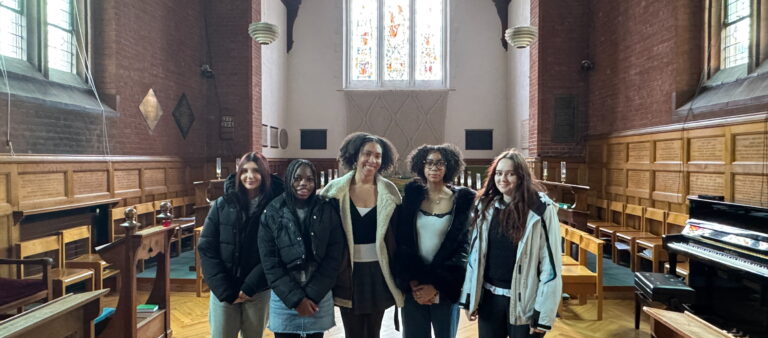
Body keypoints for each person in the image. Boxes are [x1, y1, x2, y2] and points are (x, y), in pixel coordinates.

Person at [460, 149, 562, 338]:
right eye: (499, 173)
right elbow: (476, 256)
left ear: (521, 176)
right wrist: (470, 298)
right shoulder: (486, 206)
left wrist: (542, 315)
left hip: (525, 301)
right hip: (490, 298)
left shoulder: (540, 210)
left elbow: (551, 265)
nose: (503, 179)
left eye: (510, 173)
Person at [318, 132, 404, 338]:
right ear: (355, 156)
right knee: (352, 332)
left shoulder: (390, 191)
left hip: (379, 271)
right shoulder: (333, 191)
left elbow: (397, 235)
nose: (372, 160)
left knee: (374, 332)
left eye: (378, 156)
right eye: (367, 154)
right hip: (347, 271)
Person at [198, 152, 284, 338]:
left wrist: (250, 286)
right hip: (225, 287)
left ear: (265, 174)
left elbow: (277, 252)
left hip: (257, 290)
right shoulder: (222, 204)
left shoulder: (277, 207)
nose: (250, 176)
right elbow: (207, 247)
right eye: (244, 171)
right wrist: (222, 288)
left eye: (256, 171)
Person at [395, 144, 476, 338]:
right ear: (421, 166)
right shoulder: (411, 197)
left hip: (445, 285)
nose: (434, 167)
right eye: (429, 162)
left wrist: (436, 285)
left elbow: (462, 248)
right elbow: (403, 241)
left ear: (449, 167)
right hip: (415, 286)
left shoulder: (462, 201)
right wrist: (413, 282)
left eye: (440, 163)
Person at [258, 159, 345, 338]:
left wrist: (311, 296)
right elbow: (270, 264)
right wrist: (296, 299)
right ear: (288, 179)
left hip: (318, 297)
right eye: (297, 178)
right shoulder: (273, 211)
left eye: (309, 179)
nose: (303, 183)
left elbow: (334, 257)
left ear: (315, 182)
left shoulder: (326, 209)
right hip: (285, 299)